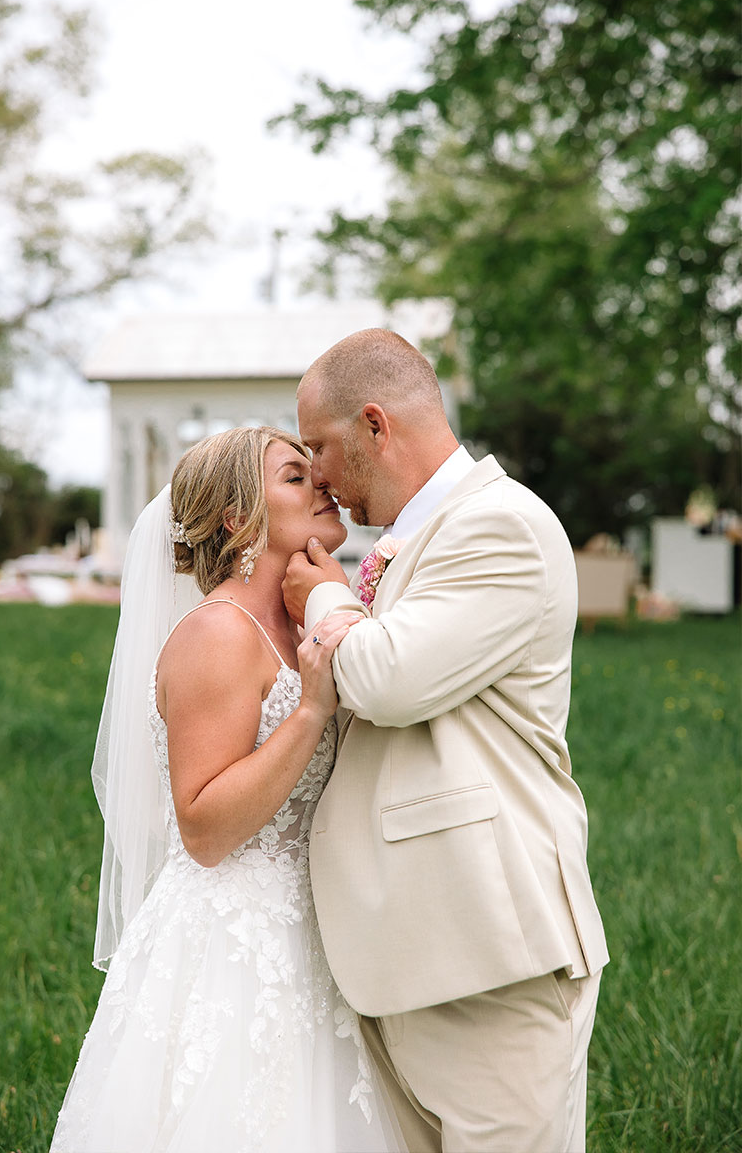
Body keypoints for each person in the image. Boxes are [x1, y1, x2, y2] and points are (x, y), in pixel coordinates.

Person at [282, 329, 610, 1153]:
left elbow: (389, 678)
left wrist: (325, 599)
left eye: (319, 446)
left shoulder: (502, 524)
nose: (316, 471)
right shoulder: (414, 537)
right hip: (405, 953)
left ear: (375, 424)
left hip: (488, 952)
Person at [50, 426, 403, 1153]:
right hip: (235, 947)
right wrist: (310, 710)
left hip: (326, 928)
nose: (324, 486)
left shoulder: (305, 616)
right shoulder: (219, 633)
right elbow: (204, 829)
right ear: (238, 519)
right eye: (295, 479)